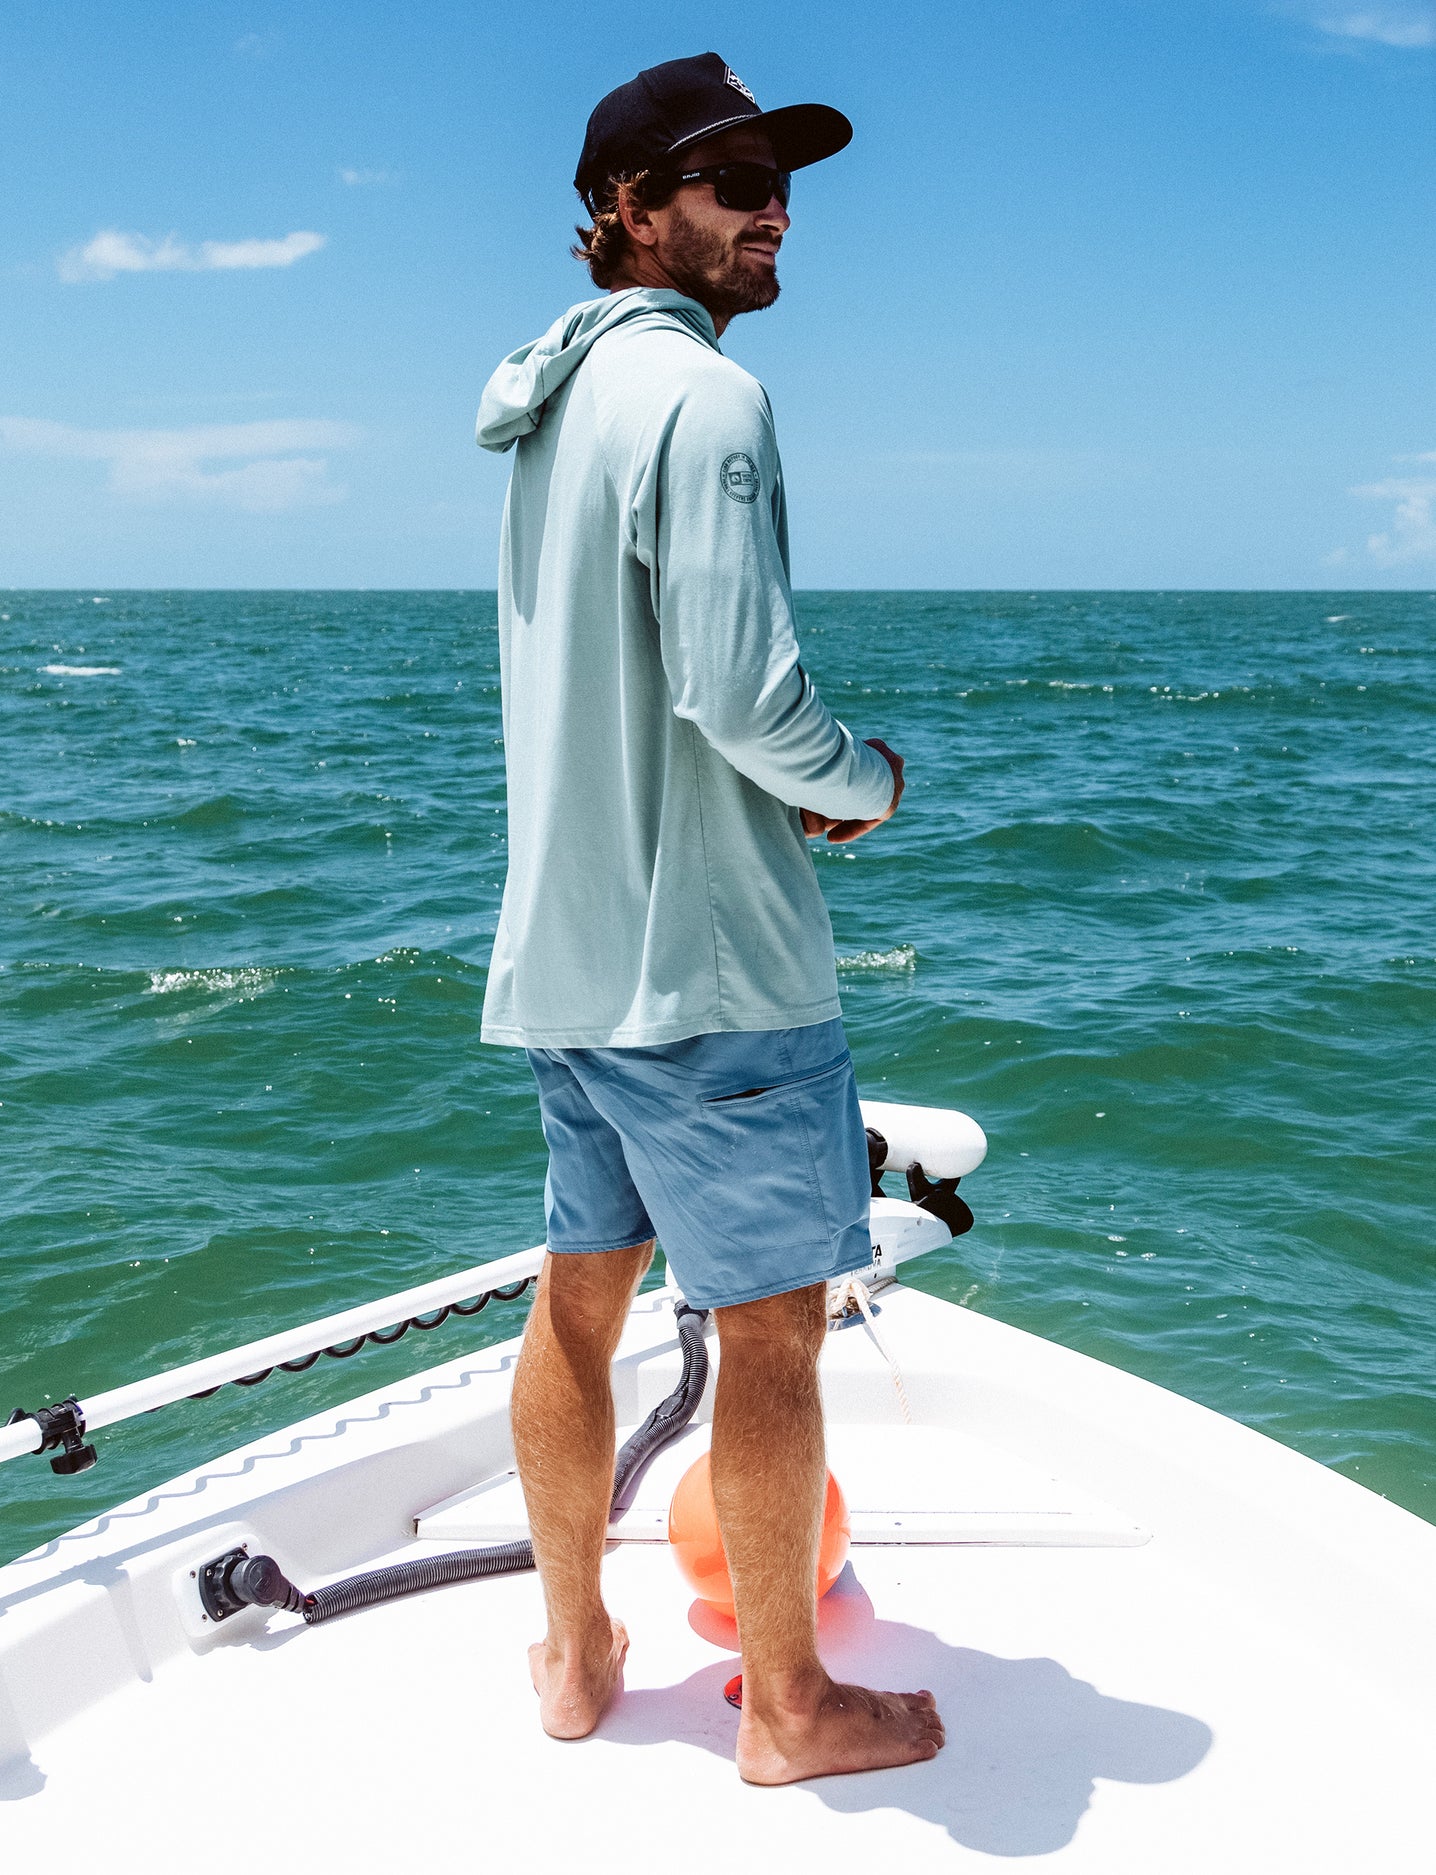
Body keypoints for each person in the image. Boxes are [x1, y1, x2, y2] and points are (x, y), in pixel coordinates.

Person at [474, 52, 943, 1785]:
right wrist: (863, 780)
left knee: (578, 1303)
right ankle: (795, 1713)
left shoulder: (549, 408)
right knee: (770, 1334)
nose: (774, 206)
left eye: (782, 174)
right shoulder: (709, 404)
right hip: (718, 971)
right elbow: (745, 694)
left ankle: (580, 1652)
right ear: (623, 209)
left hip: (572, 967)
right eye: (730, 175)